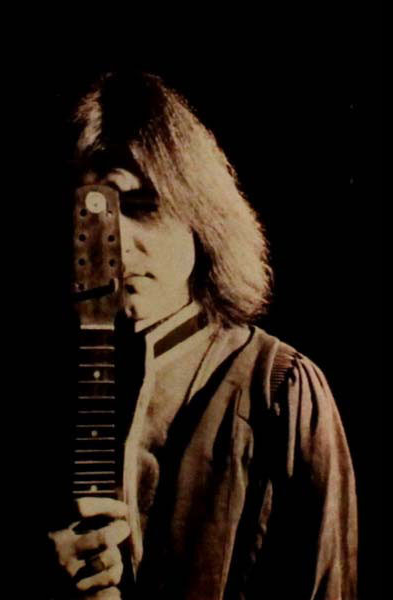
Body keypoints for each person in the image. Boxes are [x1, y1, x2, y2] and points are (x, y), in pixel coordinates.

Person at [46, 71, 357, 599]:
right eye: (91, 215)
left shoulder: (280, 389)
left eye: (142, 206)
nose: (116, 242)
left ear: (200, 214)